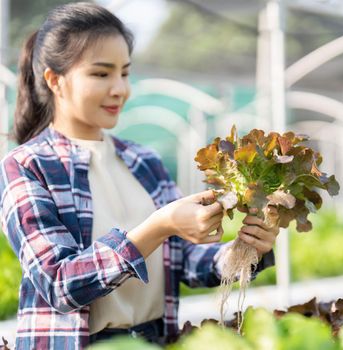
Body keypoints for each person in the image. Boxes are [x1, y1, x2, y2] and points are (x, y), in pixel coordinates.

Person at [0, 2, 278, 349]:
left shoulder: (143, 160)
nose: (120, 89)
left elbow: (187, 263)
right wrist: (159, 226)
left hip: (151, 341)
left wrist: (247, 248)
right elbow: (60, 284)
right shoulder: (27, 165)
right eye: (101, 74)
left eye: (125, 73)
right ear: (55, 80)